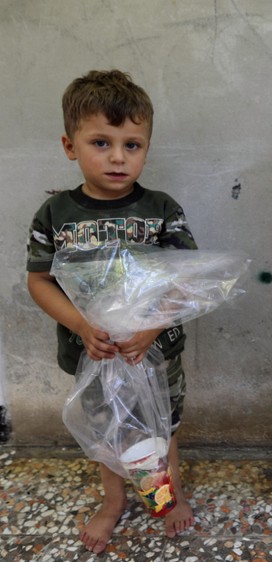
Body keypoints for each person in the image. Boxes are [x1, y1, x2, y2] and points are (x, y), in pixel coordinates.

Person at [26, 70, 196, 554]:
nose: (118, 157)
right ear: (69, 145)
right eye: (101, 142)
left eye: (133, 144)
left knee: (164, 428)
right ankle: (113, 500)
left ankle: (171, 495)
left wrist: (151, 326)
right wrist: (81, 325)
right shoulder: (55, 215)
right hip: (93, 353)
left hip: (156, 351)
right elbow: (40, 280)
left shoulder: (162, 210)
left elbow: (188, 279)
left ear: (147, 147)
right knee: (109, 430)